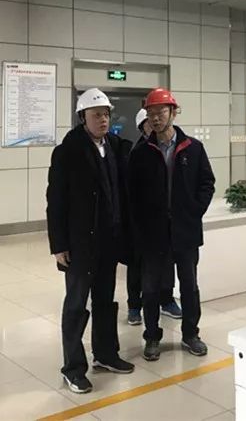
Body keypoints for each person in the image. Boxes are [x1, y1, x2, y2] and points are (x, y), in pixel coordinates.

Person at [46, 88, 134, 394]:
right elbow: (55, 201)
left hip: (109, 241)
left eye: (106, 114)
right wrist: (59, 245)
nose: (103, 119)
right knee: (76, 305)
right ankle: (73, 368)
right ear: (82, 117)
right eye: (96, 115)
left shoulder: (114, 147)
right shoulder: (67, 152)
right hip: (80, 243)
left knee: (105, 301)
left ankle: (106, 354)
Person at [129, 88, 216, 361]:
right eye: (151, 113)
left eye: (161, 112)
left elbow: (207, 183)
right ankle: (152, 337)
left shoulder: (193, 148)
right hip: (154, 233)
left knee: (189, 285)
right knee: (151, 288)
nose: (155, 118)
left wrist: (194, 211)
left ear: (173, 113)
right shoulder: (141, 152)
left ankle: (191, 334)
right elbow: (132, 193)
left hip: (185, 231)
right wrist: (141, 225)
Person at [125, 108, 182, 326]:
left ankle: (166, 300)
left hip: (164, 224)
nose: (154, 125)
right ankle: (134, 306)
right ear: (142, 128)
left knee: (167, 264)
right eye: (148, 124)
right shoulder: (137, 152)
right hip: (141, 223)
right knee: (137, 266)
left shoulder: (170, 149)